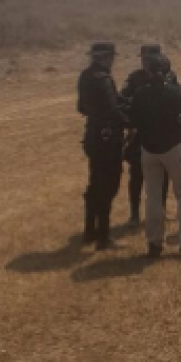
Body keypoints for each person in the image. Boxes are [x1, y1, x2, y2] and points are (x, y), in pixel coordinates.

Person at [129, 53, 181, 258]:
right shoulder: (173, 91)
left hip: (149, 150)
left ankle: (154, 242)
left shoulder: (140, 93)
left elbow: (133, 120)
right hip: (173, 147)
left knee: (153, 196)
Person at [77, 42, 127, 250]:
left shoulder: (85, 76)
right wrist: (130, 121)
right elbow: (113, 110)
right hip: (108, 138)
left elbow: (81, 107)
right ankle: (103, 236)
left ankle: (90, 230)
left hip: (92, 135)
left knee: (95, 183)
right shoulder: (104, 79)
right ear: (107, 57)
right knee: (109, 185)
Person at [121, 44, 175, 226]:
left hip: (164, 133)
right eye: (143, 59)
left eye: (148, 59)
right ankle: (134, 215)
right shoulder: (135, 78)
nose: (145, 62)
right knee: (137, 175)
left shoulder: (170, 76)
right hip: (141, 135)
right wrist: (131, 125)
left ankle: (161, 210)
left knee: (164, 173)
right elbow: (122, 102)